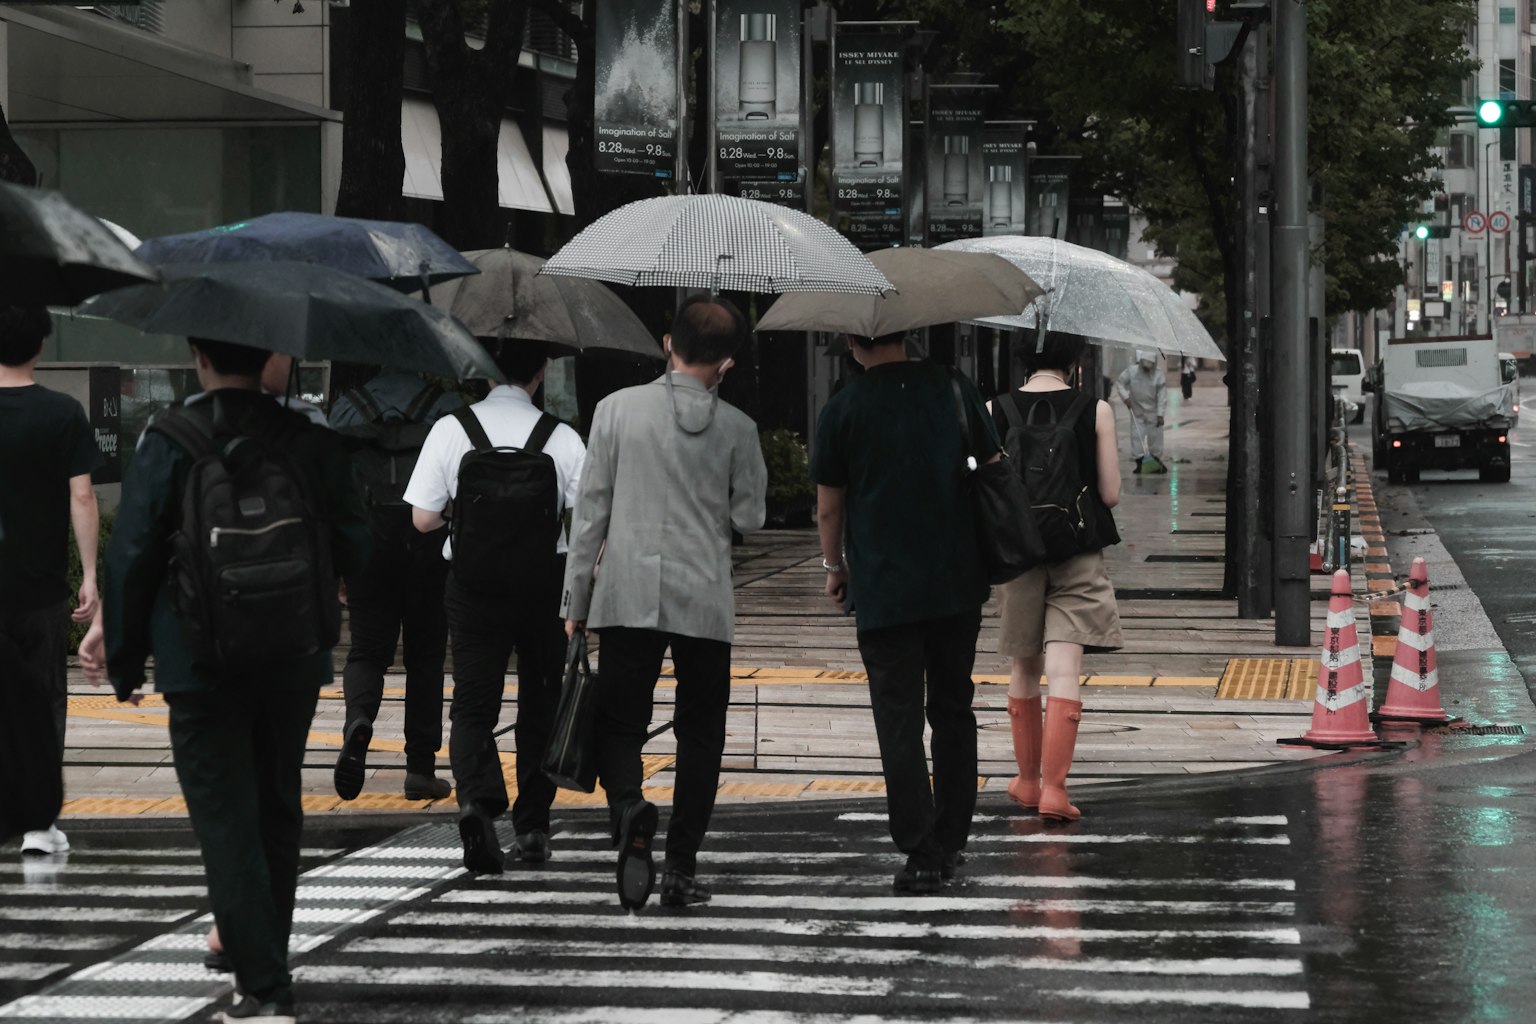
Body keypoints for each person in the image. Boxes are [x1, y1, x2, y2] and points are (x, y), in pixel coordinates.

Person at [80, 336, 369, 1024]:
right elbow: (360, 545)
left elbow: (132, 556)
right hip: (293, 655)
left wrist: (125, 661)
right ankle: (264, 967)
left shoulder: (169, 440)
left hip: (197, 660)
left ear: (197, 356)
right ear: (270, 354)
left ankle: (264, 983)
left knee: (225, 820)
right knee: (277, 807)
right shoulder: (310, 441)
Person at [562, 298, 767, 911]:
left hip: (625, 591)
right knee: (700, 733)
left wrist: (576, 595)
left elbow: (590, 512)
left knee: (620, 721)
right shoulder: (738, 428)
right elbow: (750, 516)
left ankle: (629, 807)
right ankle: (681, 868)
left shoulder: (615, 411)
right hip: (704, 597)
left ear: (665, 341)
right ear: (727, 363)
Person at [811, 331, 998, 894]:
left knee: (898, 718)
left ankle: (921, 851)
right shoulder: (954, 389)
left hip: (885, 589)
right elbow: (991, 463)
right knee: (952, 707)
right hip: (956, 582)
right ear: (912, 333)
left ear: (851, 339)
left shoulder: (843, 408)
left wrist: (833, 565)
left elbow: (828, 506)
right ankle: (953, 837)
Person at [405, 341, 585, 875]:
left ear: (481, 371)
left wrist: (464, 520)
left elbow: (420, 519)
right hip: (543, 587)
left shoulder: (451, 430)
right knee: (540, 704)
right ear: (542, 372)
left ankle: (477, 805)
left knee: (473, 703)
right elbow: (591, 518)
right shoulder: (562, 438)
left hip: (473, 586)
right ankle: (532, 829)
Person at [989, 334, 1122, 824]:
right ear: (1076, 359)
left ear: (1022, 357)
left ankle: (1026, 781)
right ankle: (1056, 791)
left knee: (1023, 667)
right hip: (1077, 551)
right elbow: (1109, 495)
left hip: (1017, 553)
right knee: (1064, 669)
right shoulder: (1096, 410)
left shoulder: (994, 409)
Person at [329, 371, 465, 802]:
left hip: (368, 541)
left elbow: (335, 493)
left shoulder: (347, 408)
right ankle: (420, 769)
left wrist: (338, 564)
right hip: (427, 538)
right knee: (425, 656)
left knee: (367, 650)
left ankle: (358, 721)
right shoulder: (446, 410)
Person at [0, 304, 101, 856]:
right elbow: (82, 495)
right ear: (41, 344)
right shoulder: (62, 413)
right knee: (43, 699)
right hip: (40, 586)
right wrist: (89, 575)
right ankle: (39, 824)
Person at [1115, 349, 1168, 472]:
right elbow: (1120, 383)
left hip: (1153, 413)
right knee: (1136, 437)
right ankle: (1139, 462)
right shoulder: (1131, 372)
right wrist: (1125, 397)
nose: (1146, 371)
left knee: (1155, 438)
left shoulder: (1159, 375)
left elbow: (1162, 396)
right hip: (1137, 410)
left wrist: (1160, 414)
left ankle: (1155, 460)